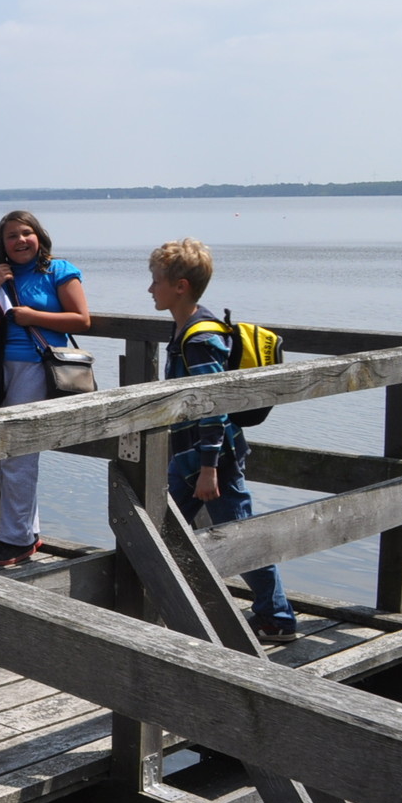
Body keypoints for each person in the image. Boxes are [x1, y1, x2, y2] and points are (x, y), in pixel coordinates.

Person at [150, 238, 298, 644]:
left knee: (168, 528)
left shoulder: (199, 339)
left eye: (156, 281)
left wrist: (209, 468)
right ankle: (273, 614)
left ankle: (275, 617)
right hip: (199, 455)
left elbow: (214, 404)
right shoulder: (192, 324)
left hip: (207, 456)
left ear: (180, 286)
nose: (150, 289)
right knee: (209, 528)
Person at [0, 211, 89, 567]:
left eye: (26, 233)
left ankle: (14, 540)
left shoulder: (58, 270)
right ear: (3, 245)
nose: (20, 240)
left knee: (18, 454)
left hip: (37, 366)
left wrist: (33, 317)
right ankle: (27, 532)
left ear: (39, 236)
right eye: (11, 236)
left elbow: (81, 319)